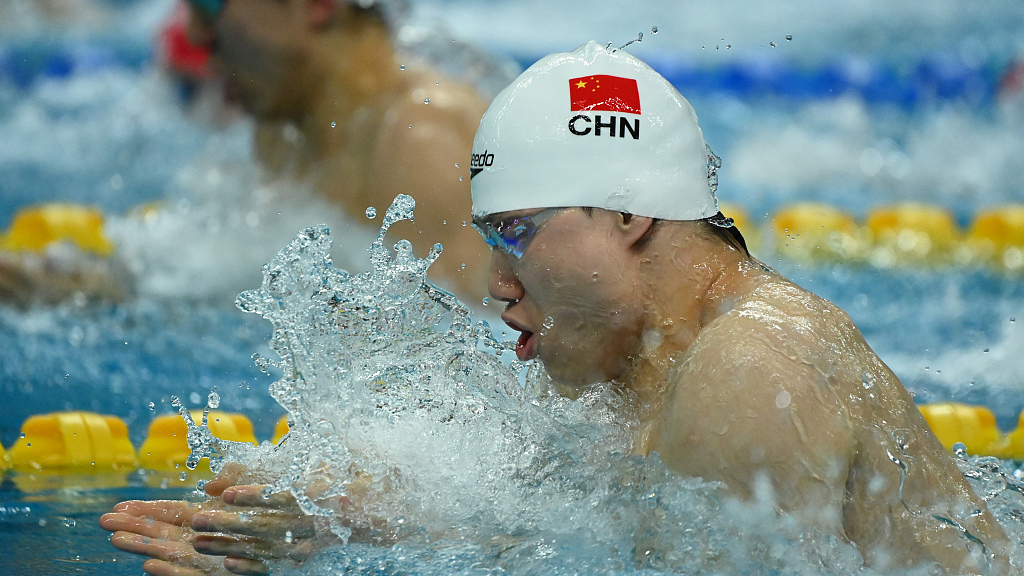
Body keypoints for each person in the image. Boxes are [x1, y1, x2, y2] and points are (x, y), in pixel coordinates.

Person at [101, 42, 1012, 574]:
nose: (498, 281)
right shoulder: (649, 360)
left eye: (516, 234)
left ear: (628, 214)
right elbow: (596, 525)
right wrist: (336, 529)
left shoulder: (747, 372)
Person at [1, 0, 495, 306]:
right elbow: (227, 274)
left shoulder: (421, 143)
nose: (194, 35)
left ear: (316, 5)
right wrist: (72, 285)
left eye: (209, 5)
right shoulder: (288, 128)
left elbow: (485, 354)